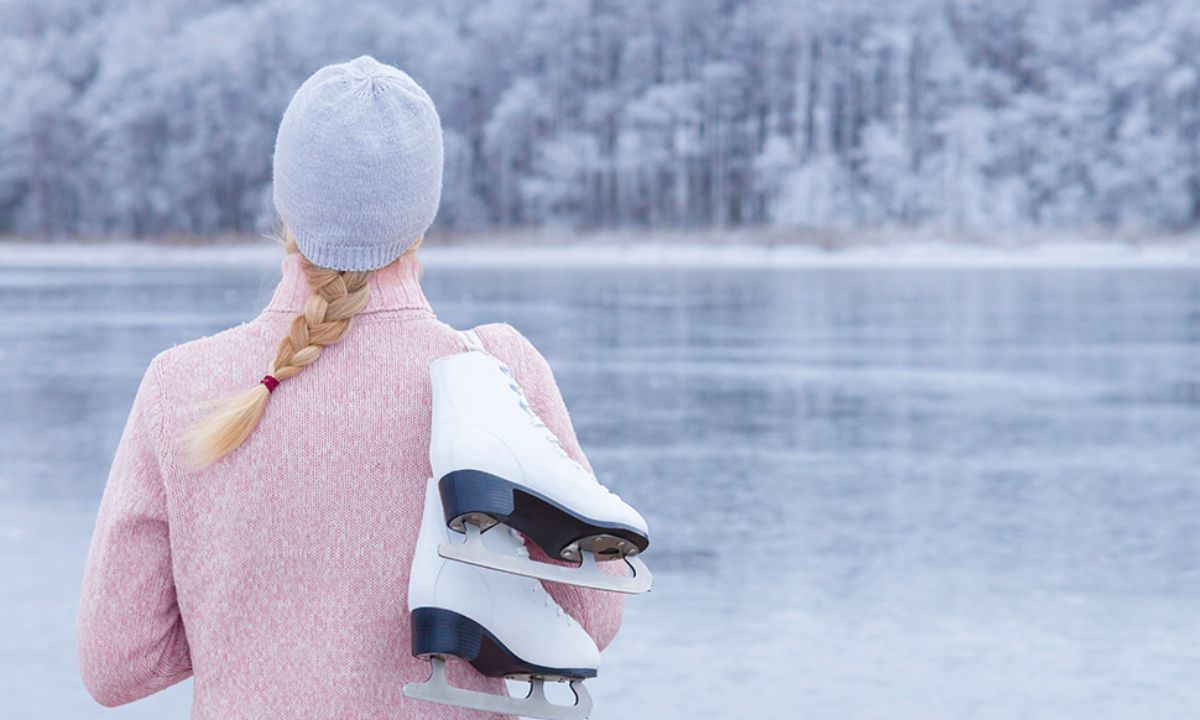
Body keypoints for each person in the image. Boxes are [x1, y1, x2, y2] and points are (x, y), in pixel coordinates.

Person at [76, 55, 624, 719]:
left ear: (287, 198)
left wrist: (257, 625)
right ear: (424, 208)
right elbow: (592, 617)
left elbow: (117, 664)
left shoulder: (183, 386)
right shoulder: (492, 373)